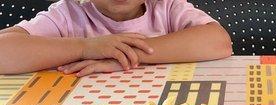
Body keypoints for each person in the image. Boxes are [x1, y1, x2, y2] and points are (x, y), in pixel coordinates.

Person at [0, 0, 232, 76]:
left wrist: (123, 54)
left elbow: (219, 41)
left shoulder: (167, 6)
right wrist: (86, 47)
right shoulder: (68, 13)